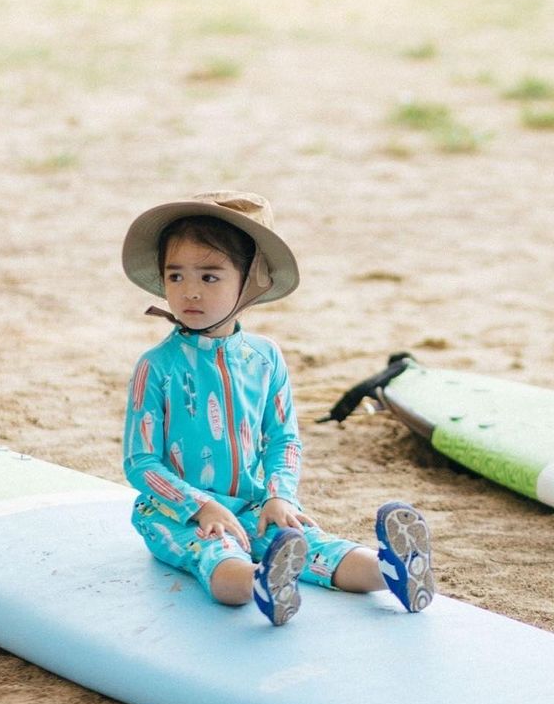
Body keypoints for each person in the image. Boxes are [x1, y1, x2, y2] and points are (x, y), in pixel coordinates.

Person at [120, 190, 435, 625]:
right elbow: (140, 461)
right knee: (216, 552)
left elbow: (283, 438)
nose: (189, 291)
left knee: (313, 543)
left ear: (251, 283)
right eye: (175, 277)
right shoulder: (156, 367)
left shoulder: (265, 358)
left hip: (256, 504)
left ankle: (394, 570)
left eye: (209, 277)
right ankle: (262, 584)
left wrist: (279, 496)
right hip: (177, 512)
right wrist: (200, 506)